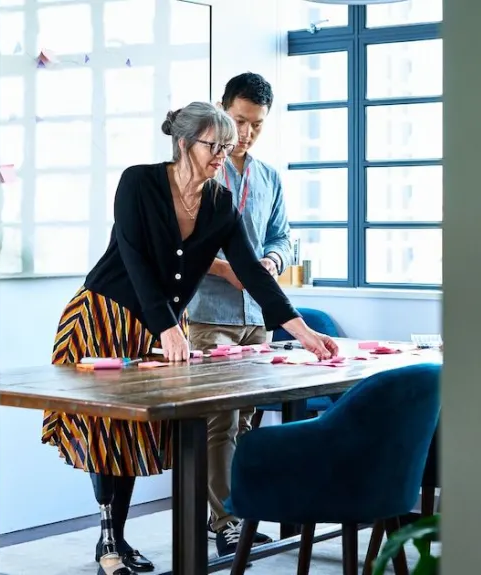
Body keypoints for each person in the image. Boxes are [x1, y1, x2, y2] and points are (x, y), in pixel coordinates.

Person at [41, 100, 339, 575]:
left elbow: (251, 273)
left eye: (227, 145)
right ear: (183, 144)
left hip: (154, 324)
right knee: (107, 433)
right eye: (213, 145)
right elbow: (135, 259)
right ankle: (109, 541)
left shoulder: (220, 203)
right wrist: (168, 326)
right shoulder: (138, 182)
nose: (223, 153)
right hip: (103, 316)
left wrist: (301, 329)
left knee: (134, 436)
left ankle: (114, 542)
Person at [187, 72, 291, 556]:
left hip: (257, 314)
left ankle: (234, 511)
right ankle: (227, 520)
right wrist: (228, 270)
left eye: (257, 125)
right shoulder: (203, 167)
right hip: (211, 312)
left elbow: (282, 237)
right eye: (239, 120)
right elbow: (179, 245)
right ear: (220, 109)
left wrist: (272, 261)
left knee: (248, 417)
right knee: (221, 419)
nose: (246, 133)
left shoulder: (268, 176)